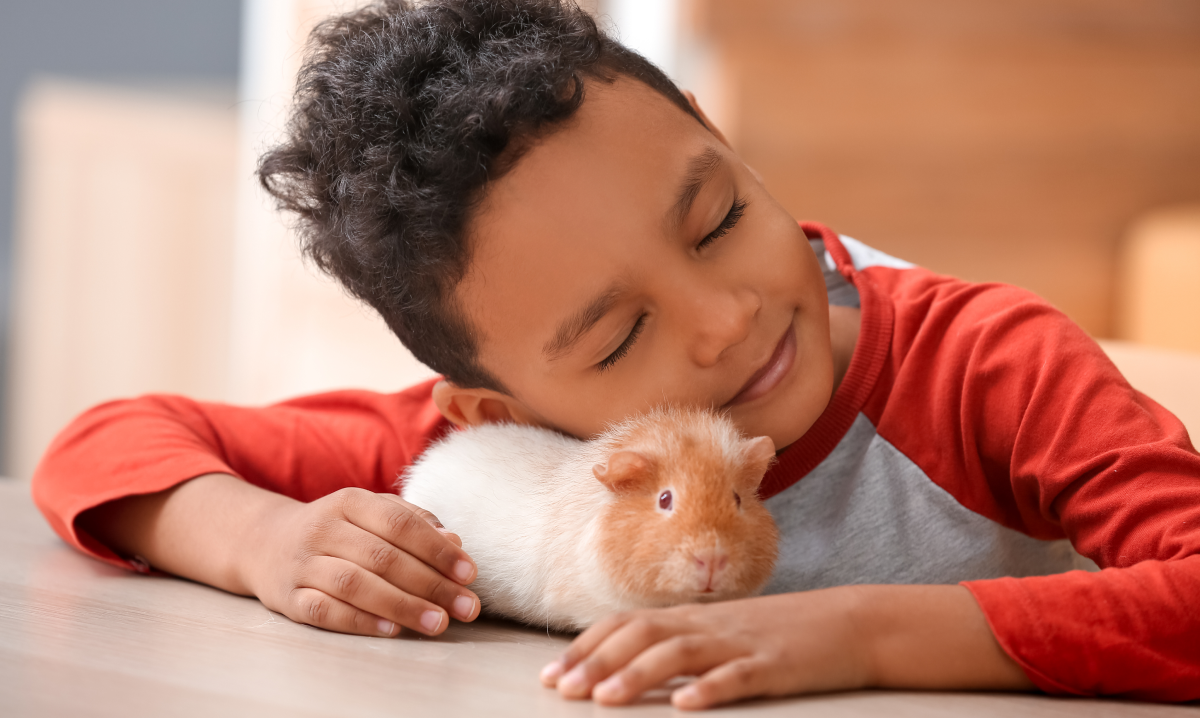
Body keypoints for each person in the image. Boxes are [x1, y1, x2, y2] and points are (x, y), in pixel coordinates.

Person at [30, 0, 1200, 709]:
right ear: (500, 412)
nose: (724, 320)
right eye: (621, 334)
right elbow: (103, 442)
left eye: (718, 219)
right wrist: (266, 538)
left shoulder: (985, 365)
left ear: (721, 136)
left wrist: (858, 629)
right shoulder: (514, 455)